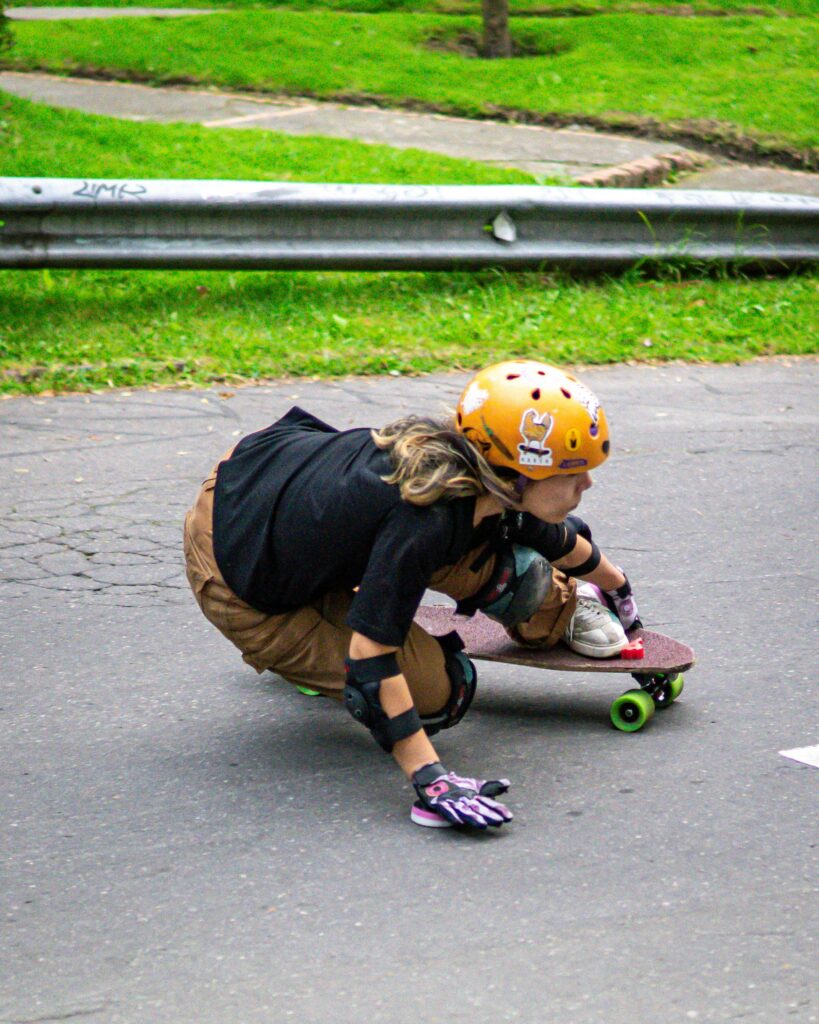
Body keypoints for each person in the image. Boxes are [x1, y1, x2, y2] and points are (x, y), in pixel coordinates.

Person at [183, 360, 640, 832]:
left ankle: (549, 611)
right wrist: (432, 780)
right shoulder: (424, 521)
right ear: (515, 475)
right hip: (239, 562)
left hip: (278, 482)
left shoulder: (475, 471)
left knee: (516, 572)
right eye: (575, 472)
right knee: (441, 690)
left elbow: (540, 528)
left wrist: (615, 584)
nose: (587, 483)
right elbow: (370, 661)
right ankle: (312, 646)